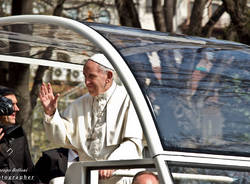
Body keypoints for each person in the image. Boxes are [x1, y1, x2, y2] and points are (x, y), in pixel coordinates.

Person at [39, 53, 143, 184]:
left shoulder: (129, 99)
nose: (86, 82)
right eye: (85, 76)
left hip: (120, 177)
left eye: (91, 76)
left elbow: (132, 143)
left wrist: (112, 164)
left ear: (109, 77)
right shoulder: (78, 104)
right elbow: (60, 138)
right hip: (89, 177)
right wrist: (51, 113)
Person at [0, 86, 39, 184]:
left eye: (16, 104)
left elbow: (29, 171)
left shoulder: (17, 133)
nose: (17, 109)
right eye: (11, 104)